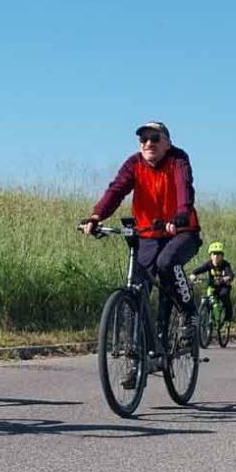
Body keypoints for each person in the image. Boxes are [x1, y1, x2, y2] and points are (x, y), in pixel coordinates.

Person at [84, 120, 201, 354]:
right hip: (148, 234)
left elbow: (184, 187)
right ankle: (135, 347)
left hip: (181, 232)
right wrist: (96, 216)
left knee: (166, 263)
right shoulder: (134, 163)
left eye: (154, 138)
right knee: (137, 284)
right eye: (143, 139)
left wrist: (180, 215)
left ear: (167, 143)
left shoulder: (177, 160)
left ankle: (189, 315)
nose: (148, 143)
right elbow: (117, 190)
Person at [191, 241, 235, 325]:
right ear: (210, 256)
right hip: (212, 286)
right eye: (214, 254)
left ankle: (228, 319)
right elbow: (199, 270)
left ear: (222, 256)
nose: (216, 256)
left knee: (224, 297)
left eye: (218, 254)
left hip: (223, 287)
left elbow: (230, 275)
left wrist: (224, 279)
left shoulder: (225, 265)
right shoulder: (209, 264)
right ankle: (207, 317)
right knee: (207, 298)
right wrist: (193, 275)